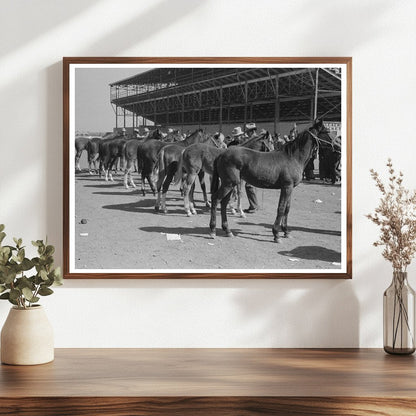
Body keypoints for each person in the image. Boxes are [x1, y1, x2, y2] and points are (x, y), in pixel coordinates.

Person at [243, 123, 259, 213]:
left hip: (254, 164)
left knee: (249, 185)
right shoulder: (252, 139)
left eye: (248, 132)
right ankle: (254, 205)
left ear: (252, 131)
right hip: (251, 163)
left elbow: (254, 153)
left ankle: (254, 206)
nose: (247, 133)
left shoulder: (255, 140)